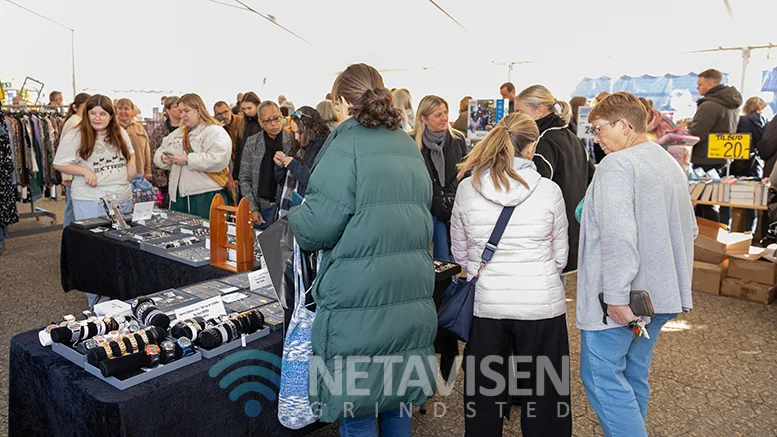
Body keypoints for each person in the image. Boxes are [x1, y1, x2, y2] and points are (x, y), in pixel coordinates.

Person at [287, 63, 437, 436]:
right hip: (408, 286)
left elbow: (319, 225)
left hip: (358, 293)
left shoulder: (346, 144)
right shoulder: (406, 143)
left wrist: (294, 214)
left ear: (340, 102)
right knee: (395, 390)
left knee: (356, 401)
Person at [577, 92, 696, 437]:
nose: (596, 139)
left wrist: (615, 295)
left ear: (624, 125)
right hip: (658, 294)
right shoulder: (666, 161)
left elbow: (618, 235)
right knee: (633, 373)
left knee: (602, 377)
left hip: (624, 297)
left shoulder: (618, 165)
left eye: (599, 130)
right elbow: (688, 229)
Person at [451, 112, 571, 437]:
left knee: (484, 396)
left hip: (487, 305)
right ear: (532, 148)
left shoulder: (467, 189)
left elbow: (459, 253)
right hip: (540, 305)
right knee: (546, 397)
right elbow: (561, 257)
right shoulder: (549, 191)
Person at [514, 84, 591, 279]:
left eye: (520, 112)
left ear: (540, 110)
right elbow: (590, 180)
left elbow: (533, 188)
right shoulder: (573, 138)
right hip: (571, 230)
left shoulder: (543, 141)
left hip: (549, 234)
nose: (516, 117)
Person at [153, 93, 232, 219]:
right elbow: (159, 152)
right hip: (178, 195)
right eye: (180, 111)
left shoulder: (214, 131)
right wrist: (163, 158)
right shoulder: (178, 133)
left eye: (186, 111)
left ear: (198, 110)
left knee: (208, 235)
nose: (182, 115)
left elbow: (219, 159)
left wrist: (188, 160)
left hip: (205, 195)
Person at [410, 95, 468, 261]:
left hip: (452, 207)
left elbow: (464, 170)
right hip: (426, 209)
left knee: (448, 258)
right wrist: (436, 198)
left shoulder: (457, 139)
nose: (444, 118)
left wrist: (447, 197)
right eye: (438, 115)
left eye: (445, 113)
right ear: (424, 118)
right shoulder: (412, 142)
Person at [689, 68, 743, 223]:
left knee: (705, 202)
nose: (697, 88)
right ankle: (720, 236)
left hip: (704, 158)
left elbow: (697, 133)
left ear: (711, 84)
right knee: (719, 200)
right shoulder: (732, 104)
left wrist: (684, 133)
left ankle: (708, 240)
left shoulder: (710, 105)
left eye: (700, 84)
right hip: (722, 157)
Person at [239, 101, 292, 229]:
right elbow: (244, 178)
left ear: (282, 117)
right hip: (260, 208)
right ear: (260, 123)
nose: (273, 124)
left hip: (287, 207)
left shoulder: (292, 141)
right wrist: (252, 208)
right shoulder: (252, 143)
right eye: (267, 121)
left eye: (276, 118)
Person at [273, 106, 329, 216]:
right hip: (286, 209)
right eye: (293, 132)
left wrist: (293, 165)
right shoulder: (297, 146)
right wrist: (280, 166)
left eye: (299, 132)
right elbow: (282, 181)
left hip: (306, 213)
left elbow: (315, 182)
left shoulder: (323, 149)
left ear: (311, 129)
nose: (296, 137)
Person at [732, 97, 769, 232]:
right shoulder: (765, 122)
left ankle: (732, 230)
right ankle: (750, 232)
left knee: (731, 196)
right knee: (752, 199)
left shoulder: (742, 120)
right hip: (756, 164)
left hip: (741, 162)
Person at [59, 92, 92, 227]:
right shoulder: (75, 122)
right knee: (72, 208)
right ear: (84, 106)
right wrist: (66, 176)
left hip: (74, 172)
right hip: (73, 173)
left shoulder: (76, 121)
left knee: (72, 207)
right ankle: (68, 235)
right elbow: (66, 152)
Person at [149, 96, 181, 208]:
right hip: (165, 181)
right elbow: (154, 156)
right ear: (167, 110)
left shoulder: (188, 129)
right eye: (176, 106)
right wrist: (161, 183)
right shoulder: (159, 132)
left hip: (183, 179)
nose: (180, 109)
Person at [116, 98, 152, 181]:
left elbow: (147, 151)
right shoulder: (112, 128)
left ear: (132, 111)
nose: (123, 111)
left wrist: (148, 170)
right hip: (119, 176)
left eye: (126, 108)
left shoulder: (139, 128)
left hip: (139, 174)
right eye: (120, 108)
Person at [234, 92, 262, 181]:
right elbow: (238, 151)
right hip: (245, 171)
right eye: (244, 109)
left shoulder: (264, 123)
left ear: (257, 105)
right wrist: (235, 175)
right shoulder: (242, 124)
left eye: (249, 108)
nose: (247, 111)